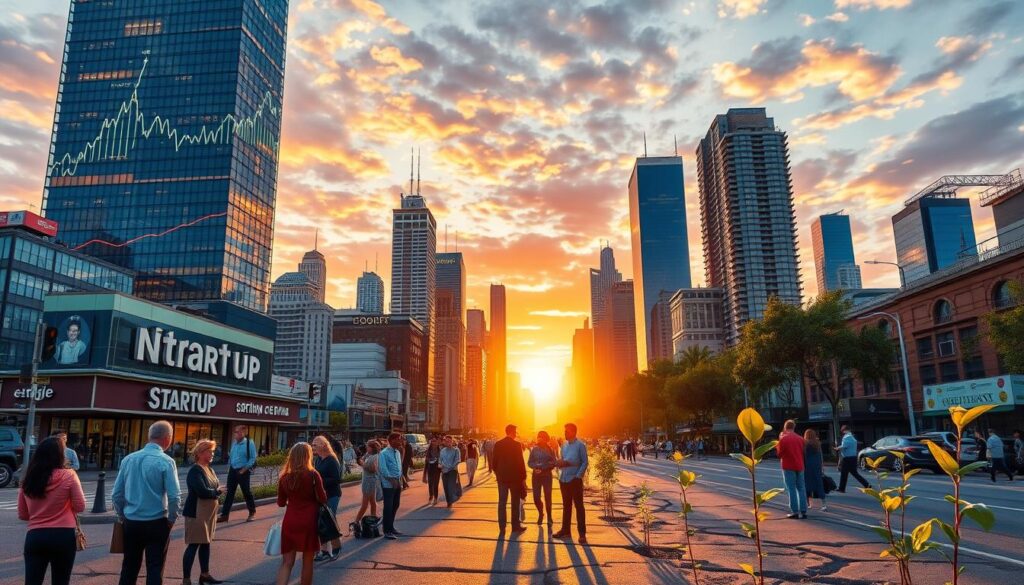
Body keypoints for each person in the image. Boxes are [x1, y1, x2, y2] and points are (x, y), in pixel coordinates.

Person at [112, 421, 181, 585]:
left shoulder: (128, 459)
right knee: (155, 567)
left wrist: (122, 516)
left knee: (129, 566)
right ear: (168, 438)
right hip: (157, 522)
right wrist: (171, 519)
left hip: (132, 521)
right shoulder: (166, 461)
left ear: (150, 437)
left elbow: (116, 494)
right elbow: (174, 496)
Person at [18, 437, 86, 585]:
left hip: (36, 536)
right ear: (60, 455)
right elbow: (80, 506)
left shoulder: (28, 479)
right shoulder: (69, 475)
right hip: (64, 535)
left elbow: (23, 514)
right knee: (61, 580)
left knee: (32, 581)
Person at [274, 443, 326, 585]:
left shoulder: (284, 477)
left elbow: (280, 502)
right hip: (309, 520)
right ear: (307, 456)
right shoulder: (313, 474)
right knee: (308, 562)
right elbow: (323, 498)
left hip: (290, 520)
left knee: (287, 562)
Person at [182, 440, 226, 585]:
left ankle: (205, 575)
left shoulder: (209, 469)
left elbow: (213, 487)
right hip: (196, 513)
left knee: (206, 543)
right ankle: (186, 579)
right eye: (210, 451)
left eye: (213, 451)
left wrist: (216, 491)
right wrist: (217, 491)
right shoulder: (195, 470)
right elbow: (201, 491)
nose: (213, 454)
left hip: (208, 513)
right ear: (201, 453)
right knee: (194, 544)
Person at [553, 422, 589, 544]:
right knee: (566, 506)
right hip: (564, 479)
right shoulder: (564, 445)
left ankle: (582, 534)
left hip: (575, 480)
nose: (565, 433)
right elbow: (563, 459)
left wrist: (578, 476)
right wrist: (560, 464)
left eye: (567, 431)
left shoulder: (580, 445)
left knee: (579, 507)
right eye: (564, 431)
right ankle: (565, 531)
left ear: (573, 432)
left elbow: (585, 462)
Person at [492, 424, 527, 535]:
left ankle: (502, 527)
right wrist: (523, 478)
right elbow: (520, 463)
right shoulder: (517, 445)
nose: (516, 434)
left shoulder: (498, 444)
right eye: (516, 432)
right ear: (512, 432)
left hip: (502, 478)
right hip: (515, 478)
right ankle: (515, 526)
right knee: (515, 502)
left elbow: (494, 462)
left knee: (502, 502)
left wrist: (498, 474)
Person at [312, 436, 343, 561]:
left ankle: (337, 548)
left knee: (330, 521)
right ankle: (324, 551)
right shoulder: (318, 459)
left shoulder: (331, 459)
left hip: (332, 494)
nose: (312, 447)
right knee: (321, 523)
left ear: (322, 445)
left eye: (315, 445)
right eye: (312, 445)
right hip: (321, 494)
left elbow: (337, 479)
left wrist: (319, 482)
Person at [218, 425, 256, 523]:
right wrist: (229, 467)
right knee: (229, 493)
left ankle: (252, 512)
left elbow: (253, 458)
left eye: (238, 432)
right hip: (233, 470)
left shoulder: (249, 443)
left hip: (243, 471)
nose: (236, 434)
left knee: (246, 492)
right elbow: (232, 456)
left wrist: (244, 469)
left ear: (244, 433)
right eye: (235, 432)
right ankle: (224, 515)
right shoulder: (234, 443)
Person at [776, 420, 807, 519]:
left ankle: (795, 511)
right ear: (794, 427)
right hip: (800, 465)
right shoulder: (801, 439)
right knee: (801, 488)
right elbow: (804, 453)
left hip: (788, 465)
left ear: (785, 427)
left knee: (791, 489)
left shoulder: (783, 439)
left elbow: (779, 454)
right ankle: (804, 510)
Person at [528, 431, 557, 525]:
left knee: (548, 497)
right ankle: (541, 513)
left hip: (547, 476)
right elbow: (529, 462)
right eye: (538, 437)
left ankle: (549, 517)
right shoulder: (534, 450)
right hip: (536, 476)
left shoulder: (550, 450)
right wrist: (535, 467)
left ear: (545, 439)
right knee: (536, 497)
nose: (539, 439)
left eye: (541, 437)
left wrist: (543, 468)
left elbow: (554, 463)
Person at [379, 432, 405, 539]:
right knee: (388, 507)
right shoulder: (383, 453)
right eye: (398, 439)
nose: (400, 441)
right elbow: (383, 469)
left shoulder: (397, 452)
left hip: (397, 482)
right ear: (392, 440)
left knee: (396, 505)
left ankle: (391, 527)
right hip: (388, 484)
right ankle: (387, 531)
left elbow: (399, 467)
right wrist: (391, 479)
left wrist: (401, 480)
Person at [355, 440, 383, 524]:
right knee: (373, 502)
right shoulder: (371, 455)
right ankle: (373, 519)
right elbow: (361, 460)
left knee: (364, 504)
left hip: (369, 482)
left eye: (368, 446)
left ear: (372, 448)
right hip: (370, 481)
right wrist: (362, 458)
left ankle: (356, 522)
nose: (366, 447)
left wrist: (363, 464)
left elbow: (373, 469)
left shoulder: (374, 457)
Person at [835, 425, 869, 493]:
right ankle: (866, 484)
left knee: (844, 473)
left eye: (843, 431)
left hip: (847, 458)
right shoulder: (852, 437)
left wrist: (837, 448)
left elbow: (844, 446)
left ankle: (842, 488)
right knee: (854, 473)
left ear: (844, 430)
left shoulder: (846, 437)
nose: (843, 432)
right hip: (853, 457)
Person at [803, 429, 828, 512]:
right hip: (817, 465)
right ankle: (824, 504)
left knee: (807, 484)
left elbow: (803, 455)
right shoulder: (817, 443)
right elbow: (820, 455)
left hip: (807, 465)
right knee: (819, 483)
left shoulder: (804, 443)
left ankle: (809, 504)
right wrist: (822, 466)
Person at [440, 436, 462, 508]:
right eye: (446, 441)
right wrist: (440, 465)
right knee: (445, 487)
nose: (448, 442)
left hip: (452, 471)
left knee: (450, 487)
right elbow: (440, 460)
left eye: (449, 441)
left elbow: (458, 460)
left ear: (452, 442)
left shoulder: (456, 450)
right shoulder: (442, 451)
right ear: (444, 442)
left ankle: (451, 501)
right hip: (444, 471)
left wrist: (451, 466)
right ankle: (448, 502)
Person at [424, 436, 442, 505]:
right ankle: (431, 496)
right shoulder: (429, 450)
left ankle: (435, 498)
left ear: (437, 442)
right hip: (430, 468)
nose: (433, 442)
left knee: (436, 484)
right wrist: (429, 460)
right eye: (432, 441)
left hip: (437, 469)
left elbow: (441, 459)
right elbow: (426, 459)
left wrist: (437, 460)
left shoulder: (439, 450)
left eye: (435, 441)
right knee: (430, 484)